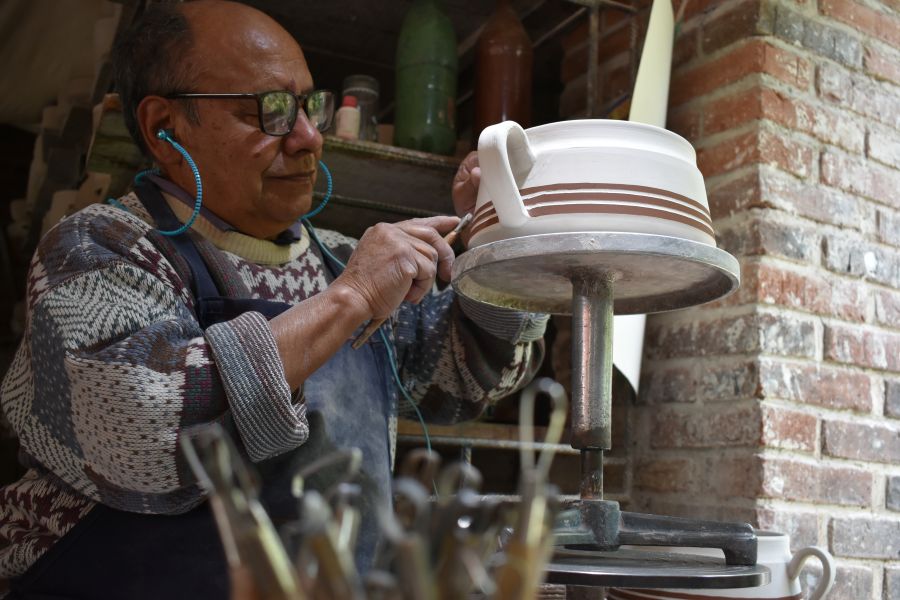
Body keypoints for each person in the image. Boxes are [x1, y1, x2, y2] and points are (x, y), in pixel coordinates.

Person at [0, 1, 548, 598]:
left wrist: (500, 236)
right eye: (271, 111)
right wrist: (352, 299)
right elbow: (141, 432)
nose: (310, 138)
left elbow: (465, 376)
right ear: (166, 127)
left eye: (307, 105)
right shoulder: (97, 247)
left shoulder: (338, 258)